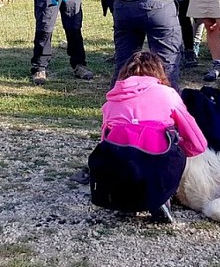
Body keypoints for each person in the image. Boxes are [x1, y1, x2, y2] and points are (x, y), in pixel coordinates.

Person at [89, 51, 208, 223]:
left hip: (120, 163)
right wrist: (180, 148)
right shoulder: (168, 94)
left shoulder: (111, 101)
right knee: (169, 145)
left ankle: (124, 196)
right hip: (157, 160)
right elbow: (198, 143)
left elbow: (105, 143)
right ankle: (161, 197)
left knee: (121, 149)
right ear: (159, 72)